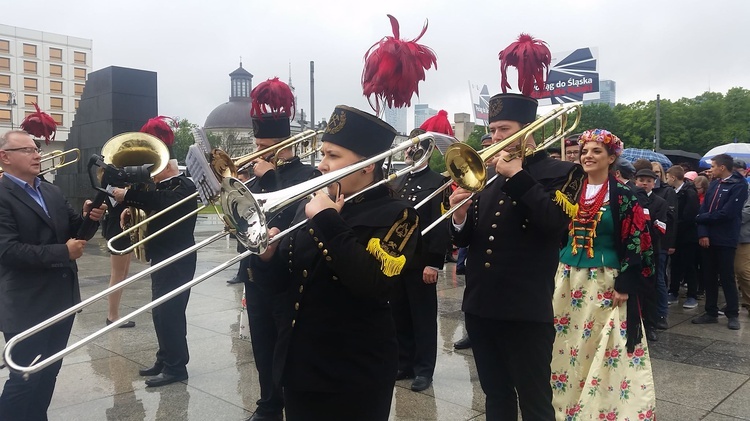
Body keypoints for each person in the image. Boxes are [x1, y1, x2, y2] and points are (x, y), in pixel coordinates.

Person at [251, 105, 420, 420]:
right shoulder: (313, 204)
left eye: (333, 156)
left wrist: (328, 219)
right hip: (301, 366)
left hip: (354, 371)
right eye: (323, 154)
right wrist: (266, 259)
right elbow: (283, 285)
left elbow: (374, 284)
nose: (322, 165)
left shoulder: (398, 215)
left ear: (367, 164)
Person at [448, 32, 580, 421]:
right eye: (492, 130)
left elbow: (555, 224)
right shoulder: (486, 177)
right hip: (481, 306)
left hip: (525, 309)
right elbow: (468, 239)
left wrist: (519, 176)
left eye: (504, 129)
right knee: (495, 396)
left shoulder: (561, 172)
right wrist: (458, 214)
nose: (494, 138)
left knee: (535, 399)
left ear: (528, 130)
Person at [0, 129, 106, 420]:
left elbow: (75, 233)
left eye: (36, 149)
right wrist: (64, 252)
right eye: (27, 150)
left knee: (48, 374)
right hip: (26, 304)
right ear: (5, 158)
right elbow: (7, 252)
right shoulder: (2, 195)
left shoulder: (50, 190)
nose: (37, 155)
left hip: (62, 299)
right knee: (25, 379)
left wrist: (89, 218)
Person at [550, 128, 656, 420]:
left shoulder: (623, 195)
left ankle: (596, 407)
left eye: (596, 151)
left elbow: (637, 240)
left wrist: (626, 282)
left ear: (612, 158)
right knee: (565, 342)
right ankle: (564, 403)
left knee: (598, 342)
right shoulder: (570, 189)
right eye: (585, 151)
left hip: (603, 279)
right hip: (567, 276)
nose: (588, 156)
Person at [242, 77, 319, 421]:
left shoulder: (307, 173)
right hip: (256, 273)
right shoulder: (254, 177)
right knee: (261, 344)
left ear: (282, 143)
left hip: (286, 277)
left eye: (263, 144)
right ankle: (268, 403)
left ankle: (291, 403)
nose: (256, 150)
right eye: (256, 143)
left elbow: (294, 217)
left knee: (285, 348)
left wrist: (271, 178)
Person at [113, 124, 198, 386]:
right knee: (160, 312)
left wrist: (130, 196)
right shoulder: (161, 188)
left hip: (178, 258)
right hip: (162, 256)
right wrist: (131, 209)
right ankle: (165, 358)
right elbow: (153, 204)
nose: (148, 175)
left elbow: (166, 205)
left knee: (170, 312)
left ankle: (176, 367)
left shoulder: (184, 186)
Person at [390, 111, 453, 392]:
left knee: (423, 318)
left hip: (420, 262)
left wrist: (433, 263)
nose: (410, 152)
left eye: (417, 147)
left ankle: (424, 369)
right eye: (409, 146)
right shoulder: (398, 181)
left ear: (427, 153)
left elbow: (440, 227)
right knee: (400, 314)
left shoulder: (436, 182)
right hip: (397, 261)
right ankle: (404, 363)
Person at [692, 153, 748, 330]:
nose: (711, 169)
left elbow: (728, 213)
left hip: (726, 238)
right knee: (708, 276)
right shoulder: (714, 184)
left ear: (722, 167)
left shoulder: (738, 186)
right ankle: (710, 312)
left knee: (727, 277)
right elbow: (703, 209)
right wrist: (703, 233)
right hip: (709, 238)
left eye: (714, 166)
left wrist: (703, 218)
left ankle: (733, 313)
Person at [634, 167, 670, 330]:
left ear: (654, 183)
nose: (644, 184)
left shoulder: (660, 202)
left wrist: (646, 233)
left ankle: (651, 324)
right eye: (641, 180)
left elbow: (660, 227)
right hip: (633, 250)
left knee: (651, 287)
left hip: (652, 249)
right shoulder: (631, 197)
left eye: (648, 181)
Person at [665, 165, 701, 309]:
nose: (666, 180)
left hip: (688, 236)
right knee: (675, 264)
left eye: (668, 177)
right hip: (677, 235)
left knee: (689, 265)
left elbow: (689, 216)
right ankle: (673, 291)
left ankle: (692, 295)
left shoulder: (689, 193)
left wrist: (675, 225)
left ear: (673, 177)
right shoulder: (675, 192)